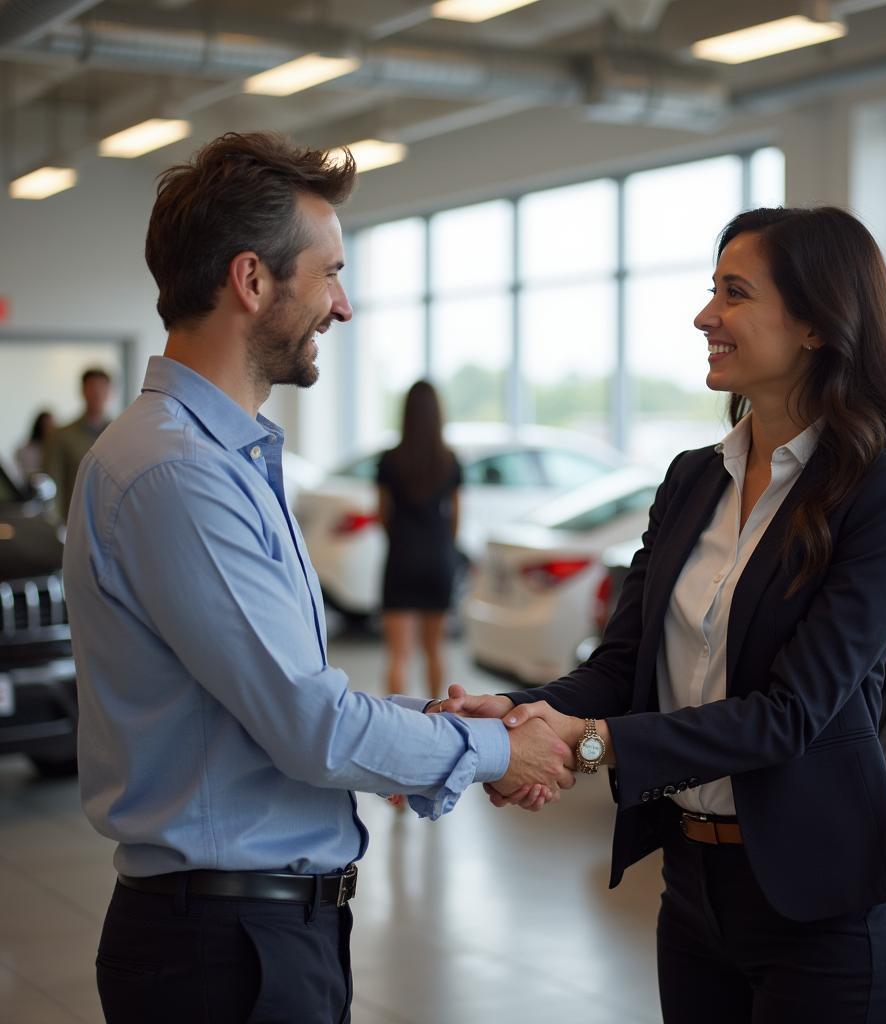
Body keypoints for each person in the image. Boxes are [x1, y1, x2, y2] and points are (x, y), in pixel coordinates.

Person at [62, 131, 574, 1024]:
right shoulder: (176, 474)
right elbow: (310, 728)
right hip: (223, 955)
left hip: (255, 934)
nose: (344, 305)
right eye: (329, 272)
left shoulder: (219, 459)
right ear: (252, 281)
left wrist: (440, 723)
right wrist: (497, 749)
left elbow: (284, 701)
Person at [445, 206, 886, 1023]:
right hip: (690, 889)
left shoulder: (885, 493)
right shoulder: (692, 479)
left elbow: (789, 716)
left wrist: (584, 746)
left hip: (820, 909)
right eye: (711, 290)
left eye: (735, 293)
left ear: (817, 324)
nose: (705, 316)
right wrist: (522, 712)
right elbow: (623, 665)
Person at [377, 380, 462, 701]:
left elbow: (383, 512)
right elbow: (456, 515)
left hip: (401, 557)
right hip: (438, 559)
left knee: (399, 654)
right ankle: (437, 718)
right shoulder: (449, 460)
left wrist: (399, 538)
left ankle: (396, 721)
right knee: (434, 650)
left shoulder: (390, 460)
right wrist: (443, 546)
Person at [44, 367, 112, 519]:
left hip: (110, 523)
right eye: (92, 387)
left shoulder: (119, 434)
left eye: (101, 388)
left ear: (109, 392)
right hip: (74, 522)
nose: (97, 393)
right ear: (83, 391)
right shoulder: (61, 436)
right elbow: (54, 487)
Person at [14, 408, 55, 481]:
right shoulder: (26, 450)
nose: (49, 430)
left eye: (51, 426)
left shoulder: (56, 449)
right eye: (46, 426)